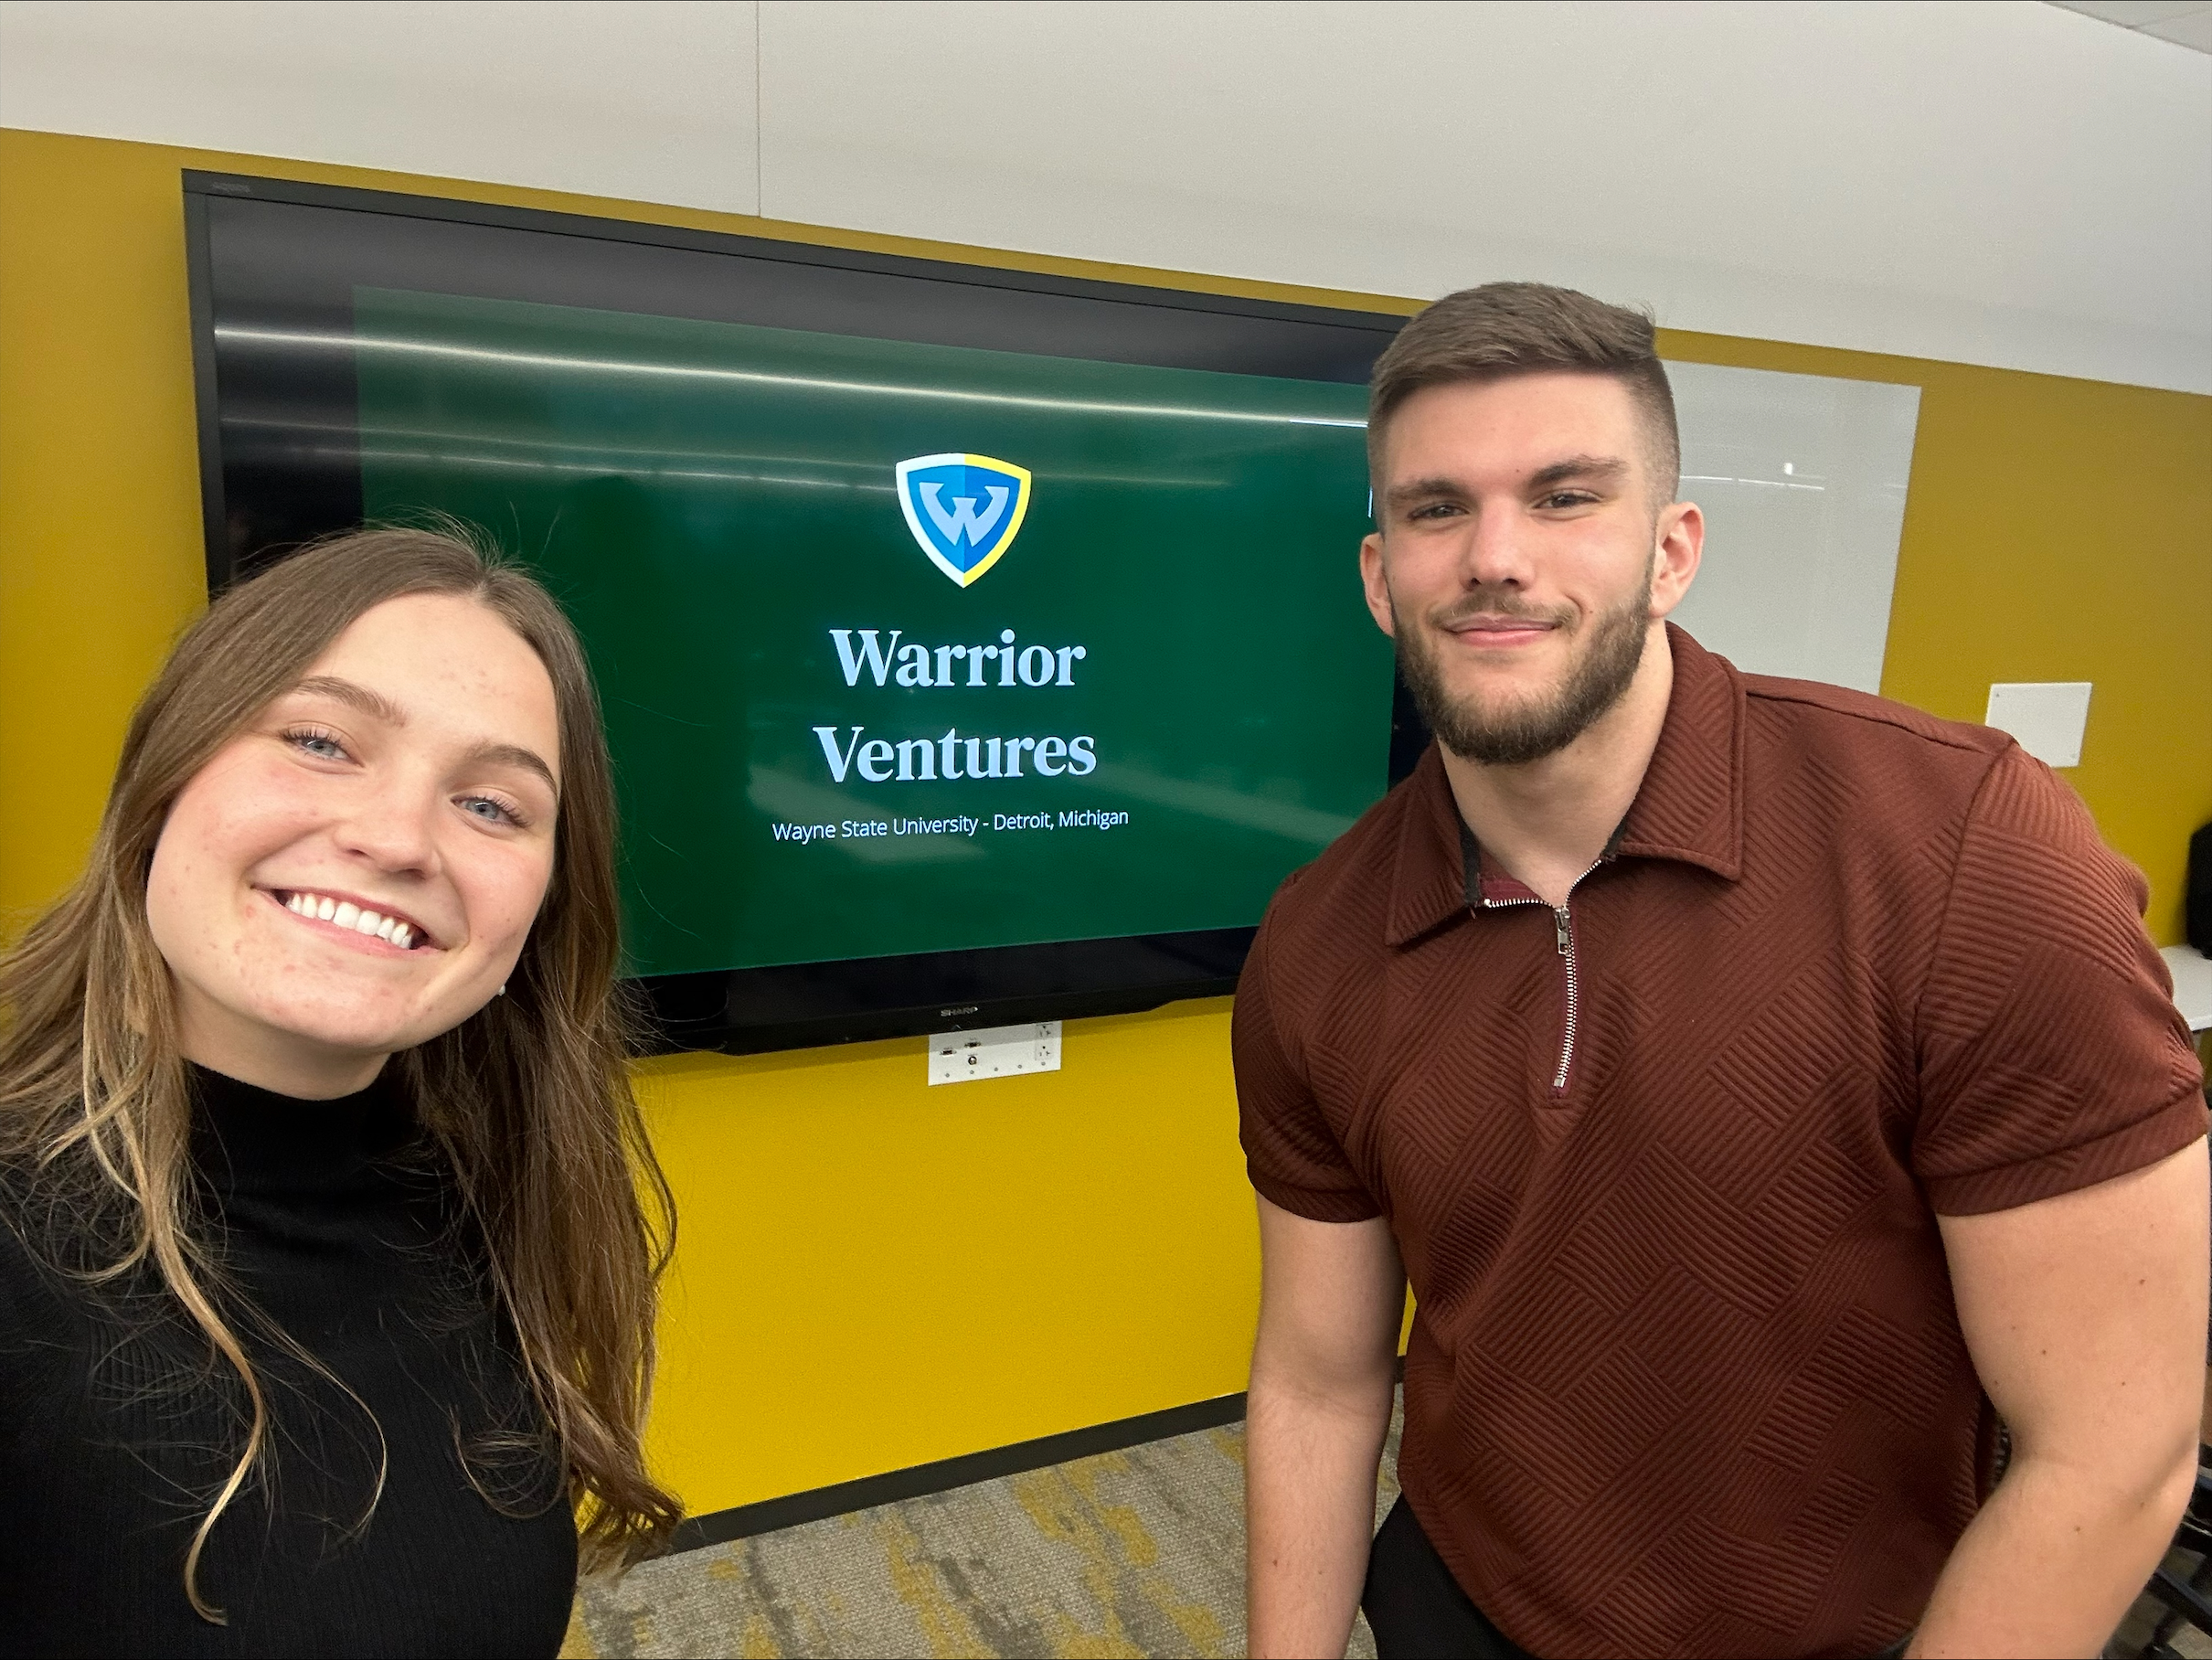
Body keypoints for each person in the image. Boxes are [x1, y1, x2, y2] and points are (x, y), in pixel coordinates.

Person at [1237, 283, 2208, 1659]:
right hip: (1461, 1604)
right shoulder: (1318, 939)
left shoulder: (1963, 853)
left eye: (1567, 496)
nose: (1494, 556)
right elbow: (1322, 1384)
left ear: (1673, 550)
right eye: (1436, 508)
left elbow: (2114, 1448)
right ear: (1381, 575)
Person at [0, 527, 679, 1656]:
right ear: (164, 772)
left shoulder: (480, 1201)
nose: (396, 837)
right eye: (320, 740)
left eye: (493, 806)